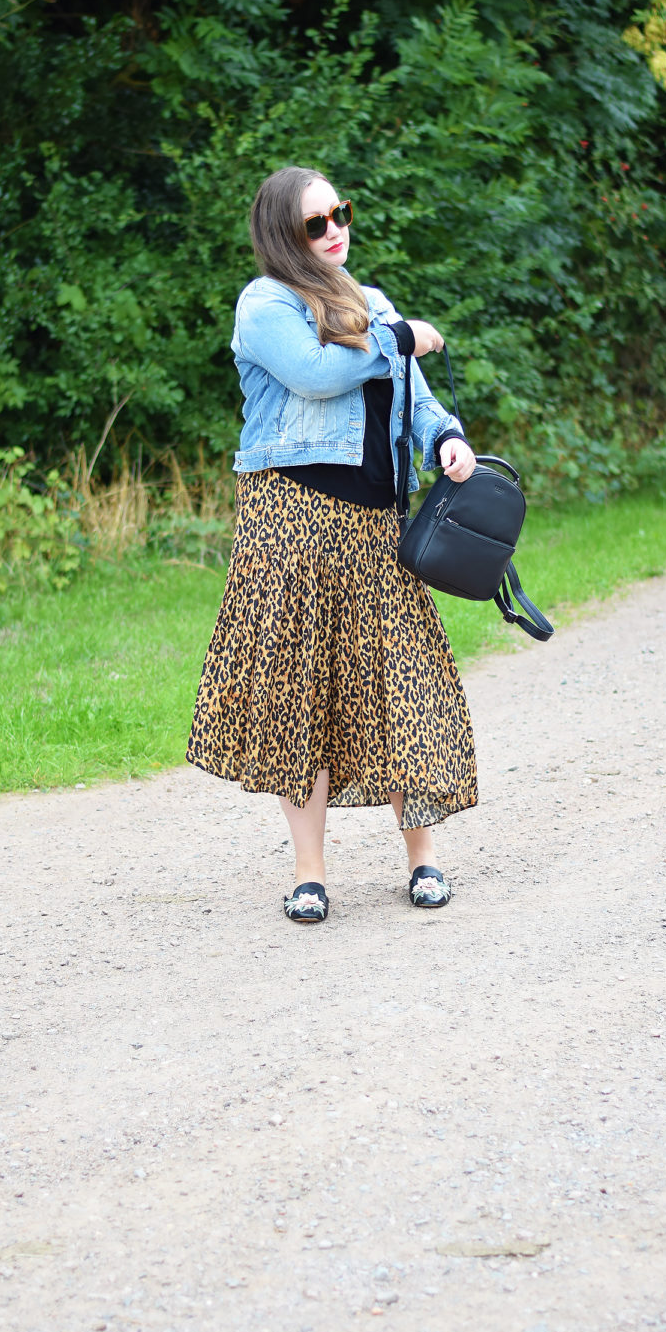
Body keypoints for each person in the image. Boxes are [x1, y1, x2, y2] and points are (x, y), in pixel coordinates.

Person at [186, 165, 478, 922]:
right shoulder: (266, 305)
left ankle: (423, 862)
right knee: (301, 696)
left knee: (400, 685)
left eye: (339, 213)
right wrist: (398, 340)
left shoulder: (372, 304)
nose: (335, 230)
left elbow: (415, 397)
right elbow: (315, 376)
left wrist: (445, 436)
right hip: (291, 520)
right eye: (316, 223)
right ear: (285, 234)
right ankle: (309, 875)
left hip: (377, 526)